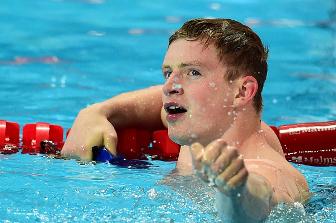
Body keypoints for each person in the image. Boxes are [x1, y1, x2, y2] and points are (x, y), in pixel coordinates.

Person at [62, 18, 309, 222]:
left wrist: (235, 190)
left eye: (193, 72)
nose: (169, 87)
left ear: (242, 92)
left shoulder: (268, 171)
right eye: (168, 72)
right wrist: (97, 112)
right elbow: (154, 104)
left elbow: (260, 200)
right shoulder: (204, 125)